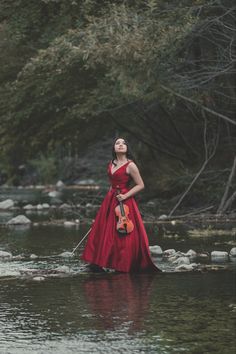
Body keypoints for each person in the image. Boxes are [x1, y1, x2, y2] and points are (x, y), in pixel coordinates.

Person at [81, 137, 160, 273]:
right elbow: (113, 183)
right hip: (111, 199)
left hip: (125, 200)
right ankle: (97, 263)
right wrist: (110, 196)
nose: (121, 145)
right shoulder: (111, 163)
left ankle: (123, 264)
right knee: (103, 230)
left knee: (123, 233)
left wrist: (125, 195)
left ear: (127, 148)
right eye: (117, 143)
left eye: (124, 143)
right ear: (114, 148)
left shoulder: (131, 165)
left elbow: (141, 185)